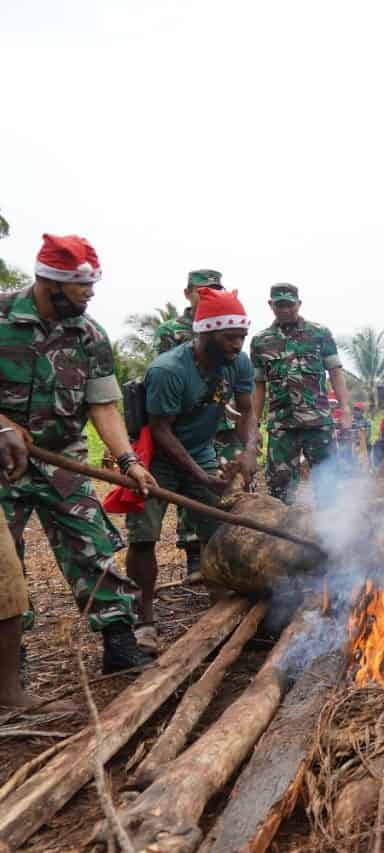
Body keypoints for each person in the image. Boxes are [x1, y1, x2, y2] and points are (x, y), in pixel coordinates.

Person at [0, 234, 160, 689]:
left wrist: (128, 460)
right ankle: (11, 662)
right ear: (48, 282)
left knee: (92, 544)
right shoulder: (1, 317)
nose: (89, 295)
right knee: (4, 562)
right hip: (2, 458)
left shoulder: (90, 335)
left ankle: (119, 643)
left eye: (92, 286)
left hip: (63, 459)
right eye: (80, 287)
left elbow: (103, 406)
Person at [125, 288, 258, 650]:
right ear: (205, 334)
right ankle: (145, 621)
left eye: (242, 336)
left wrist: (249, 450)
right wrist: (200, 477)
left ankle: (223, 609)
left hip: (198, 449)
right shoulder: (169, 370)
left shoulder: (238, 363)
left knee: (216, 531)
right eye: (230, 337)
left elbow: (247, 411)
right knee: (144, 536)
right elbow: (161, 430)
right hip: (154, 456)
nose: (237, 344)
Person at [250, 283, 350, 505]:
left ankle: (331, 537)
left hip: (318, 424)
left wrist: (345, 409)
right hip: (282, 427)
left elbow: (335, 371)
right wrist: (253, 426)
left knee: (328, 486)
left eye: (289, 305)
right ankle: (283, 536)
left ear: (299, 304)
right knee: (279, 488)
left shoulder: (319, 334)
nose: (285, 309)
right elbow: (258, 386)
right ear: (271, 305)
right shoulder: (260, 342)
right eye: (280, 305)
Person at [154, 269, 224, 578]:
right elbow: (169, 376)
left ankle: (215, 562)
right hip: (175, 419)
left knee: (212, 493)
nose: (208, 294)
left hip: (213, 420)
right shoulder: (172, 330)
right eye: (202, 289)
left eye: (215, 289)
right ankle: (193, 555)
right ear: (188, 293)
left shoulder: (226, 325)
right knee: (184, 487)